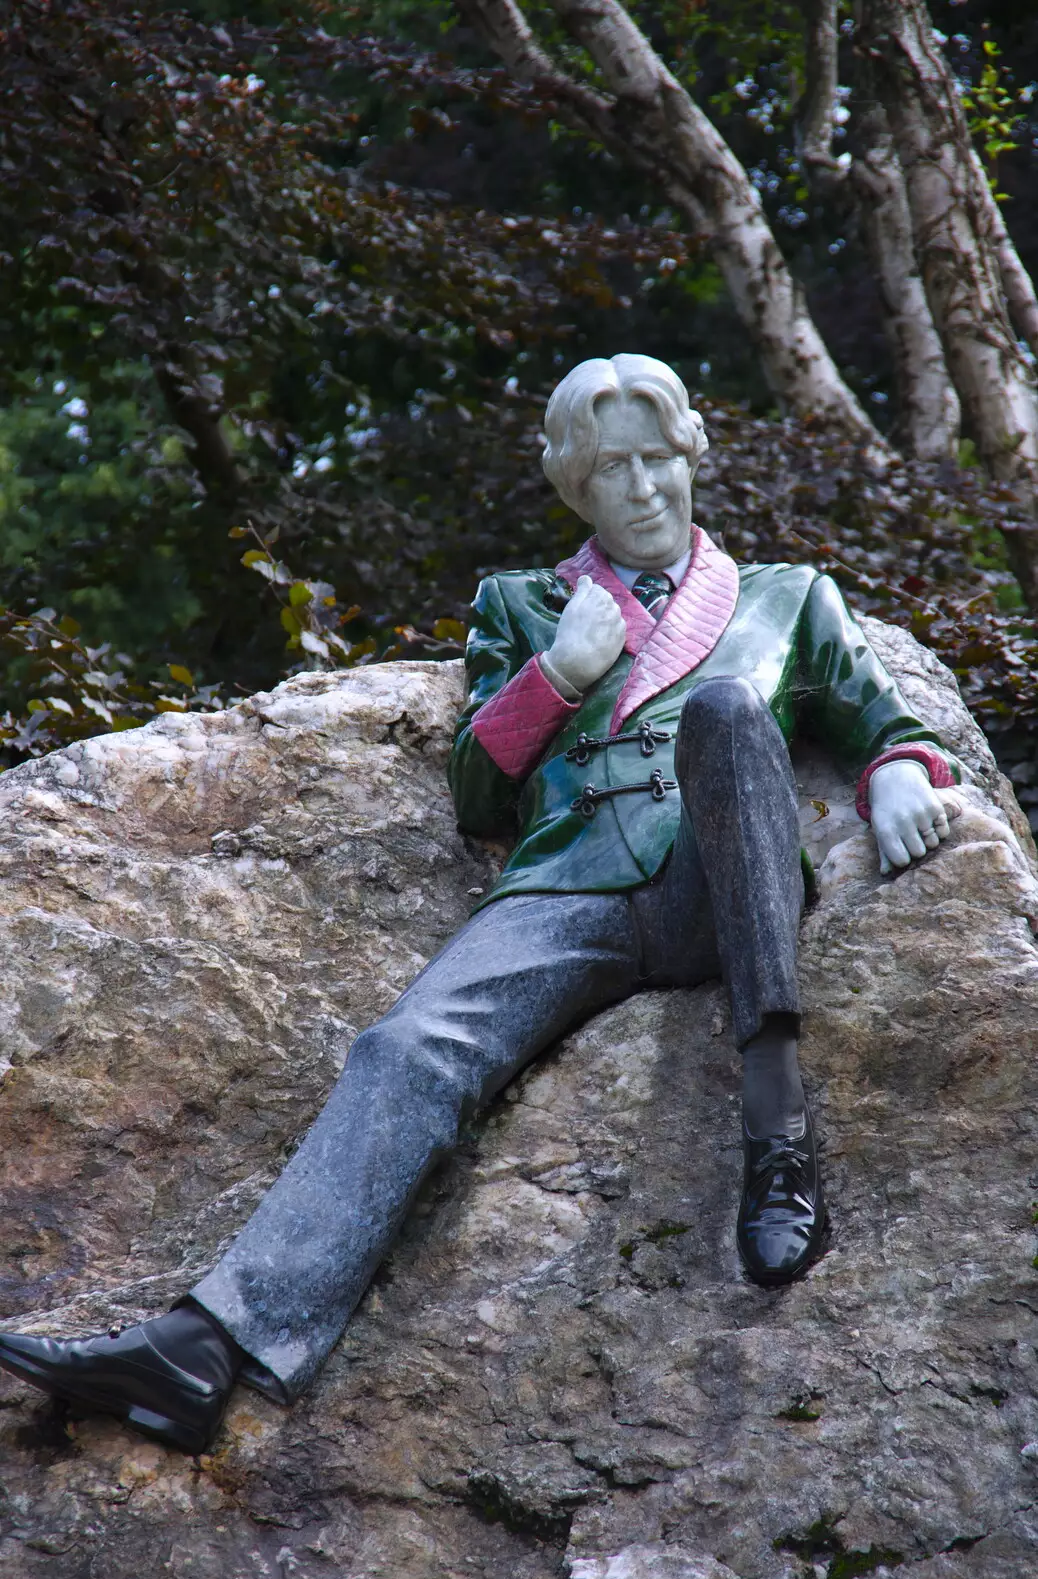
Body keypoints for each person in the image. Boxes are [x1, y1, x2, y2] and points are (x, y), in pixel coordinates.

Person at [0, 354, 960, 1455]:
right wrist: (555, 673)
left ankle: (777, 1132)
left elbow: (892, 725)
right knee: (405, 1048)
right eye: (612, 471)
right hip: (568, 885)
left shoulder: (787, 596)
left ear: (693, 454)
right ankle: (205, 1350)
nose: (644, 489)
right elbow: (477, 793)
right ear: (573, 487)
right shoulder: (522, 604)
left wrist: (899, 775)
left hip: (717, 876)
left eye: (659, 460)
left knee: (735, 711)